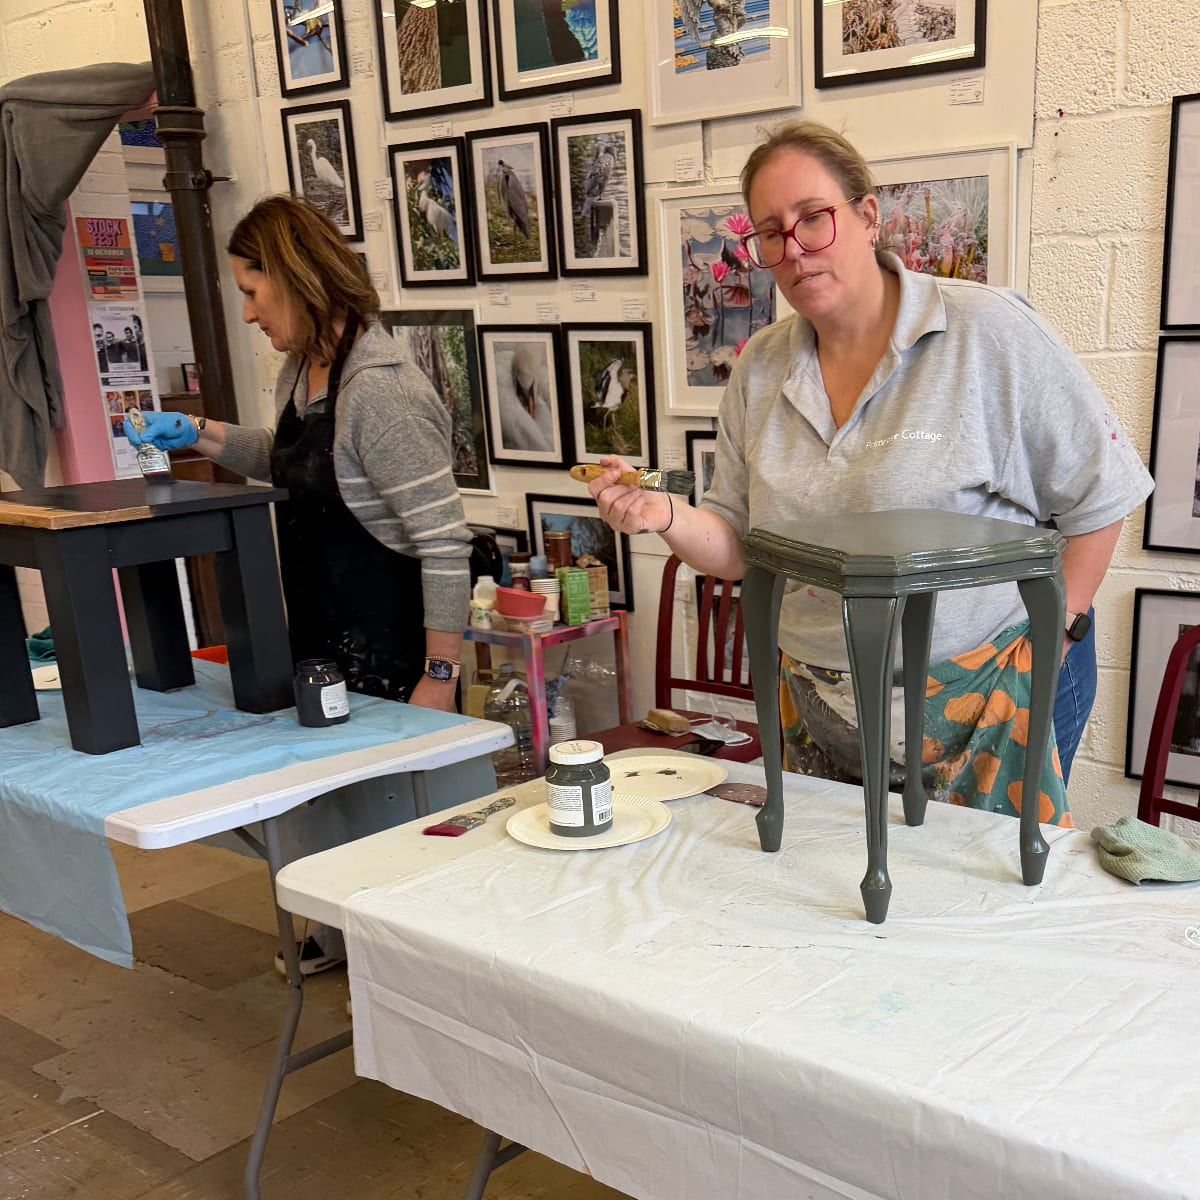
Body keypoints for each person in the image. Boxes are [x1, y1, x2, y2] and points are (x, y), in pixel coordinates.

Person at [588, 121, 1153, 828]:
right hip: (820, 701)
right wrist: (662, 515)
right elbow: (739, 548)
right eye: (771, 233)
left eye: (812, 220)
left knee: (979, 901)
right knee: (838, 897)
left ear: (866, 215)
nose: (794, 250)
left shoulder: (988, 334)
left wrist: (1054, 638)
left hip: (988, 688)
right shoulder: (759, 369)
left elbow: (1102, 497)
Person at [124, 194, 475, 973]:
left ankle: (411, 969)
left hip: (392, 652)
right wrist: (202, 435)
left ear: (293, 278)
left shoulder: (381, 392)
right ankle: (342, 932)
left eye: (251, 291)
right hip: (323, 636)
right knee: (334, 806)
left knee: (399, 824)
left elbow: (446, 546)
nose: (248, 313)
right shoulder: (303, 371)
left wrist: (439, 677)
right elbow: (291, 463)